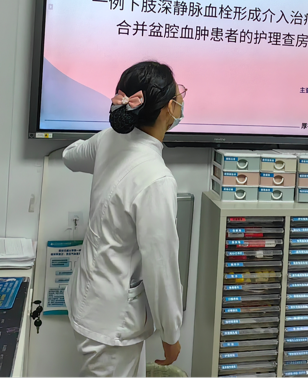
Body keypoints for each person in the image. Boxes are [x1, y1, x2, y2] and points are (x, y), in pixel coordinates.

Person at [63, 61, 186, 377]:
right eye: (179, 95)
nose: (182, 101)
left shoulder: (109, 140)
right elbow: (161, 266)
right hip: (111, 323)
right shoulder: (157, 179)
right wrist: (171, 335)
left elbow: (70, 156)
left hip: (90, 301)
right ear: (167, 109)